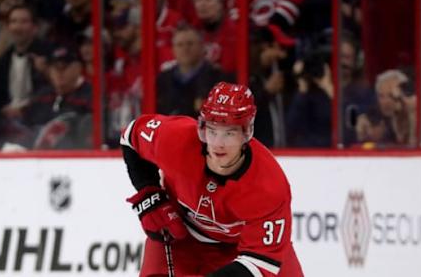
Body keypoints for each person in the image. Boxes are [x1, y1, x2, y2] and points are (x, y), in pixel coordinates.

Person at [120, 82, 303, 276]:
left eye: (229, 133)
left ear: (246, 133)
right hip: (180, 237)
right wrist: (149, 194)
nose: (218, 144)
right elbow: (131, 136)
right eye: (212, 130)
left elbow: (259, 264)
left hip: (244, 247)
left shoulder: (269, 186)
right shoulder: (177, 139)